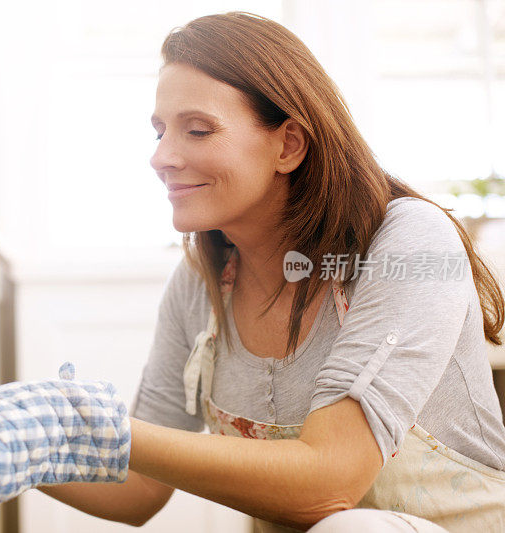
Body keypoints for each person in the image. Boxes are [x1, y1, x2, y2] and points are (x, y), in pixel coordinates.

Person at [37, 11, 505, 532]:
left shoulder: (408, 244)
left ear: (288, 145)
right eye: (160, 132)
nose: (162, 157)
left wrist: (102, 431)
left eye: (197, 129)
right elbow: (139, 490)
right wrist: (16, 448)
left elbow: (330, 482)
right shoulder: (200, 283)